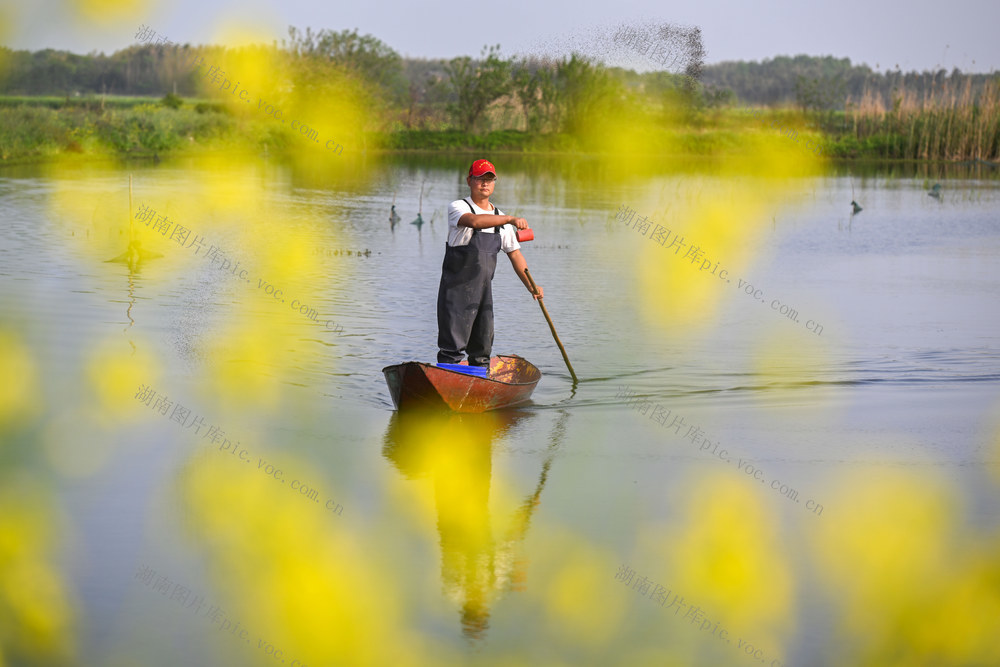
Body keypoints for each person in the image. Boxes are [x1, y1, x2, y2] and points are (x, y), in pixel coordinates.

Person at [437, 159, 542, 367]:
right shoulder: (459, 207)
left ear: (494, 183)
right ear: (469, 181)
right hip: (455, 293)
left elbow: (515, 255)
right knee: (452, 349)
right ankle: (448, 378)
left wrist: (531, 286)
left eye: (489, 179)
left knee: (482, 348)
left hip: (483, 295)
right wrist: (510, 220)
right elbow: (475, 222)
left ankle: (478, 381)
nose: (485, 183)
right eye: (479, 178)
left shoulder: (499, 217)